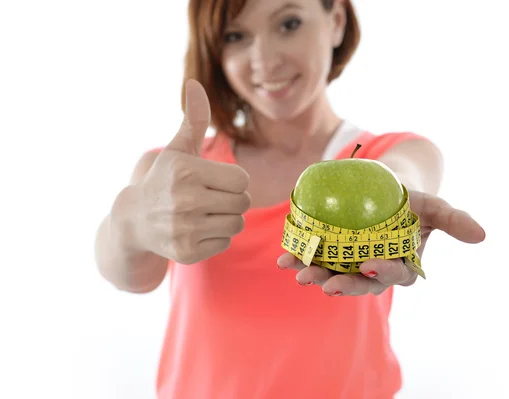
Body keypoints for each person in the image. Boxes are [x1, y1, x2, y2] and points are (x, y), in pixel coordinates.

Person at [94, 0, 486, 398]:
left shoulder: (395, 154)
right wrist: (130, 223)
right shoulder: (176, 174)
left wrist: (394, 201)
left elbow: (406, 173)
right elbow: (132, 277)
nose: (264, 59)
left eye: (289, 23)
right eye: (235, 36)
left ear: (336, 21)